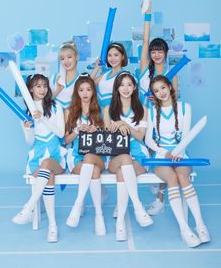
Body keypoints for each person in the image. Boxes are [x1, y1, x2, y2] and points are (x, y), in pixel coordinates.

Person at [145, 75, 210, 248]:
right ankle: (184, 228)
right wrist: (165, 153)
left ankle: (200, 224)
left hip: (181, 155)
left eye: (163, 88)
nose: (161, 93)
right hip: (161, 157)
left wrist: (178, 152)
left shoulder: (184, 107)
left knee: (183, 178)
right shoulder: (151, 111)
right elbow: (149, 141)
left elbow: (187, 135)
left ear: (170, 87)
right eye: (156, 91)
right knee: (171, 179)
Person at [12, 74, 66, 243]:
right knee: (46, 172)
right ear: (30, 89)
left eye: (44, 86)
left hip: (56, 156)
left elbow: (61, 133)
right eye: (38, 86)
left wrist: (42, 118)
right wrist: (28, 128)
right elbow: (29, 141)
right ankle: (52, 226)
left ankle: (28, 208)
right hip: (37, 158)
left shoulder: (56, 106)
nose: (42, 89)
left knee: (48, 164)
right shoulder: (25, 112)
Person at [138, 3, 178, 215]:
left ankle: (160, 199)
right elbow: (145, 41)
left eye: (159, 51)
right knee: (147, 149)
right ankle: (155, 175)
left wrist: (160, 101)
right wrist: (147, 16)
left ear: (166, 52)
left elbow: (175, 99)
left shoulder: (173, 74)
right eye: (153, 51)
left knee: (164, 154)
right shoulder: (145, 69)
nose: (156, 54)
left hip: (163, 119)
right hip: (143, 117)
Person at [104, 71, 153, 241]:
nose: (125, 88)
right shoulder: (108, 109)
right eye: (122, 84)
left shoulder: (143, 109)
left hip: (138, 156)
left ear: (134, 88)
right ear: (116, 88)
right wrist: (115, 124)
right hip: (115, 157)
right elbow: (106, 136)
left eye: (129, 85)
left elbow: (140, 137)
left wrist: (125, 124)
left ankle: (120, 225)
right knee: (124, 159)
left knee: (122, 172)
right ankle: (138, 208)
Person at [65, 73, 107, 236]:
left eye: (88, 89)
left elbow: (109, 138)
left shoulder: (101, 110)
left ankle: (77, 205)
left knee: (90, 157)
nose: (85, 93)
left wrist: (98, 130)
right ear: (77, 92)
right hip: (76, 156)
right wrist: (77, 130)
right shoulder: (69, 112)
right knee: (94, 172)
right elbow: (66, 141)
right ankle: (99, 216)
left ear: (93, 92)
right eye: (81, 90)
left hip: (98, 155)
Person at [91, 42, 128, 110]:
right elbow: (88, 84)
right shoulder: (105, 75)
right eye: (109, 55)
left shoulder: (125, 76)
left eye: (116, 55)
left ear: (122, 56)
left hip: (115, 115)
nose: (112, 58)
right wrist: (96, 68)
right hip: (99, 115)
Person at [50, 41, 79, 111]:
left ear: (76, 57)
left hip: (74, 120)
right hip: (55, 120)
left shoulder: (82, 80)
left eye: (69, 57)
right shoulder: (54, 78)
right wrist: (57, 91)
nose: (66, 61)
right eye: (62, 58)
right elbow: (46, 101)